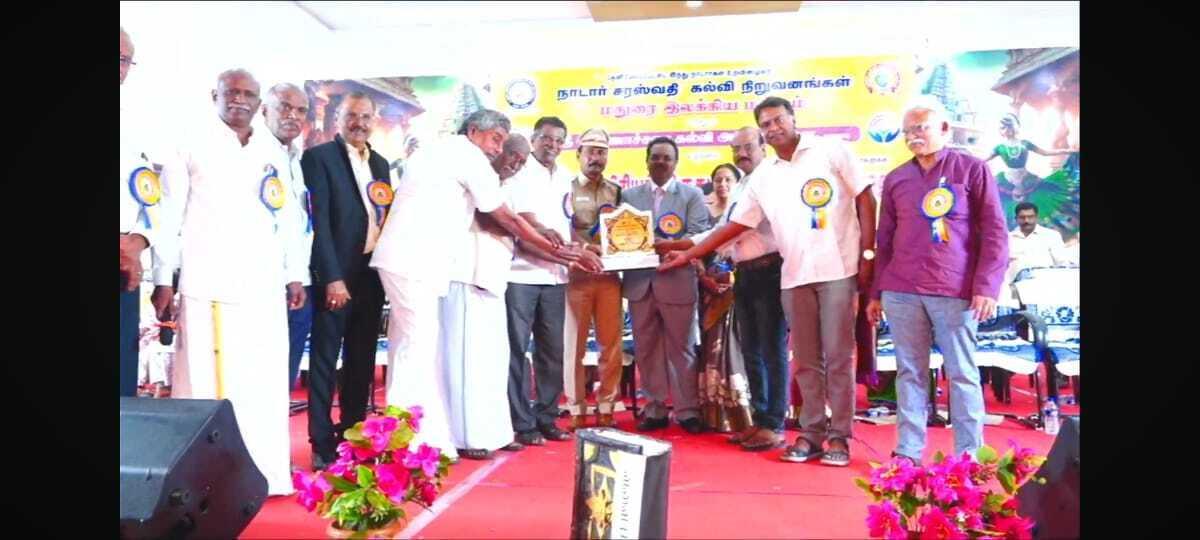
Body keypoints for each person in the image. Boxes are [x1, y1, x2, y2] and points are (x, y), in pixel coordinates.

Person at [659, 96, 877, 466]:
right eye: (767, 124)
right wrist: (690, 254)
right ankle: (811, 434)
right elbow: (735, 226)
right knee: (806, 362)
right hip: (794, 276)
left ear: (793, 119)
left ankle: (839, 438)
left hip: (839, 269)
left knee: (838, 358)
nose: (774, 128)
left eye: (778, 120)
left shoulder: (831, 151)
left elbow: (866, 197)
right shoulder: (765, 176)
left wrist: (868, 255)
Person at [369, 109, 585, 461]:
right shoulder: (466, 155)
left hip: (416, 261)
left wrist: (556, 251)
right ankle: (412, 442)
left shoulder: (444, 150)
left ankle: (418, 438)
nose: (499, 151)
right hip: (414, 260)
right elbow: (506, 218)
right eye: (496, 140)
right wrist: (558, 253)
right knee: (418, 351)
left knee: (413, 349)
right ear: (473, 131)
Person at [157, 69, 306, 495]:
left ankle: (264, 473)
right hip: (210, 283)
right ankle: (207, 480)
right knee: (207, 383)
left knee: (263, 380)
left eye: (249, 94)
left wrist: (295, 272)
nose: (240, 100)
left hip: (264, 286)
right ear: (215, 95)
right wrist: (164, 278)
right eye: (232, 92)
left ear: (260, 104)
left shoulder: (271, 149)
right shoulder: (189, 141)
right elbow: (169, 216)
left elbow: (288, 217)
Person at [866, 102, 1009, 465]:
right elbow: (885, 240)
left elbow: (995, 232)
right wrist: (876, 293)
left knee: (962, 373)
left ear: (944, 129)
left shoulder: (972, 170)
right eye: (908, 131)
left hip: (956, 290)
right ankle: (909, 452)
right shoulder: (897, 178)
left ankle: (968, 454)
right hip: (901, 290)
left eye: (922, 128)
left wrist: (986, 287)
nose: (914, 135)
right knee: (909, 372)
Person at [301, 92, 392, 470]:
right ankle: (321, 442)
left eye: (366, 116)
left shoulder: (382, 163)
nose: (359, 122)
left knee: (361, 358)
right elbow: (317, 222)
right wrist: (331, 278)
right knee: (324, 358)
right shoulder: (318, 157)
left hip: (371, 272)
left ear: (374, 120)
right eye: (351, 115)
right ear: (338, 119)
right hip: (336, 274)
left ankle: (353, 435)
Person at [441, 134, 536, 459]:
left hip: (494, 281)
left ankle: (495, 432)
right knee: (465, 362)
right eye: (511, 154)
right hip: (466, 277)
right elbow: (491, 218)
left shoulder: (503, 187)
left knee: (493, 364)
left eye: (522, 161)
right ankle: (467, 437)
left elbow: (515, 225)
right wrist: (532, 232)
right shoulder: (474, 177)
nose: (514, 163)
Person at [622, 136, 711, 434]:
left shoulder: (692, 195)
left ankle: (687, 411)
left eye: (666, 158)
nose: (660, 162)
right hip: (639, 284)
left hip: (677, 281)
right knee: (646, 349)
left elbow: (699, 233)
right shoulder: (629, 196)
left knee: (682, 348)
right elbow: (621, 235)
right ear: (646, 161)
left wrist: (669, 245)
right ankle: (655, 408)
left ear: (675, 163)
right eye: (655, 157)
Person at [503, 117, 577, 446]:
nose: (553, 145)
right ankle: (522, 422)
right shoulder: (519, 171)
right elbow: (525, 226)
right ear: (534, 139)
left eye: (560, 140)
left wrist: (578, 249)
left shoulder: (565, 177)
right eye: (547, 138)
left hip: (556, 278)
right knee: (516, 351)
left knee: (552, 351)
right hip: (520, 275)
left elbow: (566, 224)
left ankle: (546, 417)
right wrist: (567, 255)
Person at [563, 128, 625, 430]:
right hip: (575, 276)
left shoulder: (617, 191)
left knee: (610, 345)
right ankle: (576, 408)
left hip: (609, 276)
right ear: (578, 155)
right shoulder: (566, 188)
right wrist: (584, 248)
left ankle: (606, 407)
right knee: (572, 345)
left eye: (601, 152)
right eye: (590, 151)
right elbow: (562, 227)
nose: (596, 158)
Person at [257, 83, 314, 393]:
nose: (293, 116)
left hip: (297, 281)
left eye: (300, 110)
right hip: (266, 283)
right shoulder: (252, 153)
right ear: (264, 110)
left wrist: (296, 277)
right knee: (262, 373)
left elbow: (297, 223)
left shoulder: (294, 157)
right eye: (284, 107)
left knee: (284, 377)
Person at [692, 164, 754, 434]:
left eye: (728, 179)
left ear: (738, 183)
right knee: (714, 349)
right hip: (710, 292)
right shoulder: (707, 214)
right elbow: (698, 249)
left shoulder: (744, 208)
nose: (723, 184)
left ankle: (745, 413)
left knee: (738, 350)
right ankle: (715, 412)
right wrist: (704, 277)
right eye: (718, 179)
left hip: (742, 288)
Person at [985, 113, 1078, 226]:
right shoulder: (999, 147)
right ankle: (1011, 227)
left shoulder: (1025, 143)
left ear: (1017, 126)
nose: (1007, 129)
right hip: (1007, 179)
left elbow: (1045, 153)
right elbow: (983, 160)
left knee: (1031, 201)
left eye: (1010, 125)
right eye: (1003, 127)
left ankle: (1027, 225)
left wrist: (1066, 151)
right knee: (1003, 204)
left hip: (1026, 178)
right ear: (1000, 130)